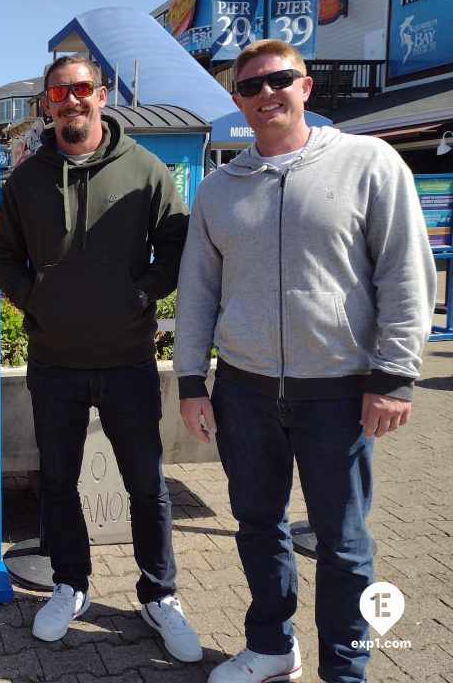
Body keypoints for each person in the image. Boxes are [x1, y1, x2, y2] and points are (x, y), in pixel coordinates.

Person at [174, 39, 437, 683]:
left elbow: (405, 275)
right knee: (257, 524)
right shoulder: (218, 188)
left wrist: (395, 375)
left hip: (339, 392)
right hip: (245, 390)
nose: (267, 95)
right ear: (237, 100)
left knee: (343, 543)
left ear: (306, 86)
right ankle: (270, 646)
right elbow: (198, 291)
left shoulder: (368, 163)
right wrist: (190, 381)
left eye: (279, 80)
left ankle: (346, 668)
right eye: (252, 87)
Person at [0, 55, 200, 660]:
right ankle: (70, 584)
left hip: (127, 360)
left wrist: (143, 292)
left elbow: (176, 241)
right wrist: (37, 301)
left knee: (146, 485)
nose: (71, 100)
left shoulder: (145, 169)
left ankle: (159, 595)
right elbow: (3, 255)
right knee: (58, 482)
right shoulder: (26, 180)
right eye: (60, 91)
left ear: (101, 94)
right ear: (47, 104)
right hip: (55, 361)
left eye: (81, 88)